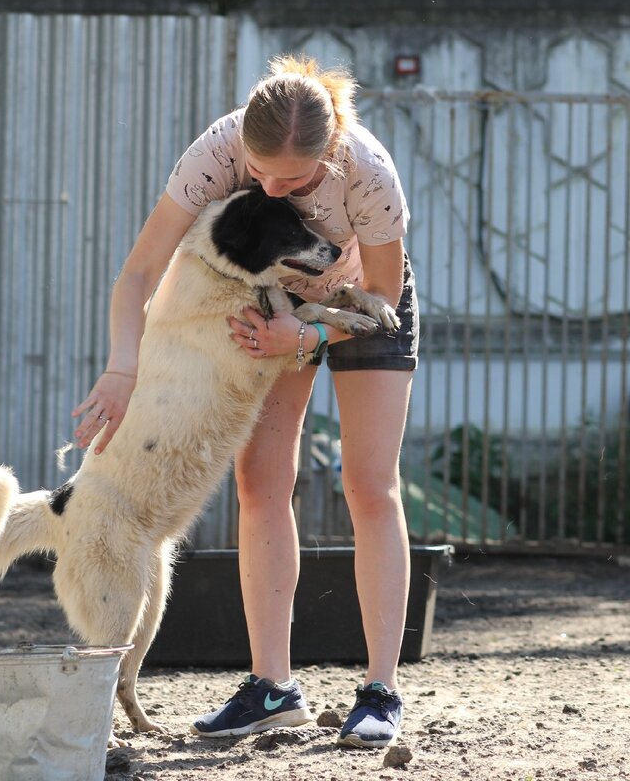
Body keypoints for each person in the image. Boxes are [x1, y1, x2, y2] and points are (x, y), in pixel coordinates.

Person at [71, 56, 418, 749]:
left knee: (369, 485)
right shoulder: (216, 152)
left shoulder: (369, 175)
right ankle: (272, 687)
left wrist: (312, 334)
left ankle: (380, 691)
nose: (269, 186)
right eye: (258, 173)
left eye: (291, 180)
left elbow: (380, 300)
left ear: (330, 149)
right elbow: (140, 269)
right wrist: (120, 367)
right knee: (260, 485)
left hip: (359, 308)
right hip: (276, 308)